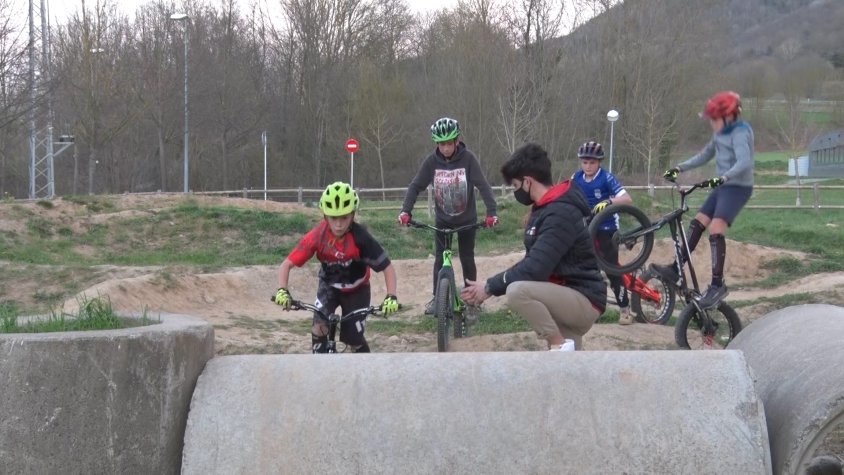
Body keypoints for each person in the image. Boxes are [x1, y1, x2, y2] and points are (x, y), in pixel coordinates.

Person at [461, 142, 607, 351]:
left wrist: (489, 287)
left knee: (518, 291)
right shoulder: (545, 208)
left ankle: (560, 346)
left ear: (527, 182)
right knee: (568, 375)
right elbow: (535, 261)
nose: (515, 192)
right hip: (563, 293)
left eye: (515, 186)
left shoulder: (560, 213)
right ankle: (563, 349)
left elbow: (535, 268)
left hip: (582, 298)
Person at [653, 90, 754, 309]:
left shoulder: (740, 132)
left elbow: (744, 161)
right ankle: (676, 269)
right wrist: (678, 168)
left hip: (737, 187)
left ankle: (718, 285)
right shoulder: (719, 134)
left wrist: (724, 177)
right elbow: (704, 155)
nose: (712, 124)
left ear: (730, 117)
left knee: (716, 228)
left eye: (715, 120)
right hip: (723, 185)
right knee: (698, 222)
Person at [274, 181, 399, 353]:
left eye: (344, 217)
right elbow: (286, 264)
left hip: (357, 290)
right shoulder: (318, 236)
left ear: (353, 215)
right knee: (319, 329)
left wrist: (391, 296)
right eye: (333, 218)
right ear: (325, 216)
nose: (339, 224)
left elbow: (388, 268)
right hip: (329, 287)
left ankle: (366, 370)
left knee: (353, 339)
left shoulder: (361, 238)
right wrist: (282, 290)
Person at [398, 117, 499, 320]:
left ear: (456, 141)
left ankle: (472, 301)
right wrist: (405, 211)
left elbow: (483, 186)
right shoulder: (431, 162)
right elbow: (415, 186)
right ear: (437, 143)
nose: (445, 148)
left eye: (449, 143)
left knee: (467, 258)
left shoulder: (468, 159)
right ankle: (438, 298)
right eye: (442, 144)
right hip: (443, 221)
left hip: (467, 221)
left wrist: (492, 213)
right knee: (439, 259)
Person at [571, 140, 635, 325]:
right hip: (586, 229)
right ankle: (594, 310)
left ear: (599, 162)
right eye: (585, 162)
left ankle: (625, 310)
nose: (588, 166)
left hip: (607, 228)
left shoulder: (607, 178)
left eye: (592, 162)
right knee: (589, 270)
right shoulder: (576, 178)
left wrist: (609, 202)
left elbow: (627, 199)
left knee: (611, 269)